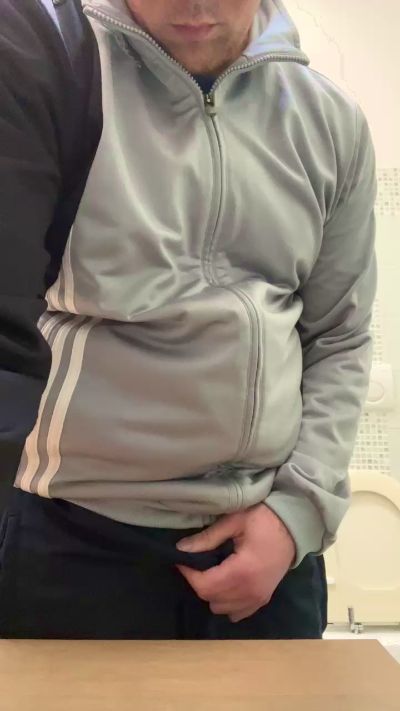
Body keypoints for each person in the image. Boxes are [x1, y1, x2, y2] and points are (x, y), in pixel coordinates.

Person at [0, 0, 377, 641]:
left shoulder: (331, 121)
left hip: (268, 544)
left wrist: (298, 513)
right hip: (70, 533)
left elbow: (339, 335)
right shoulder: (55, 84)